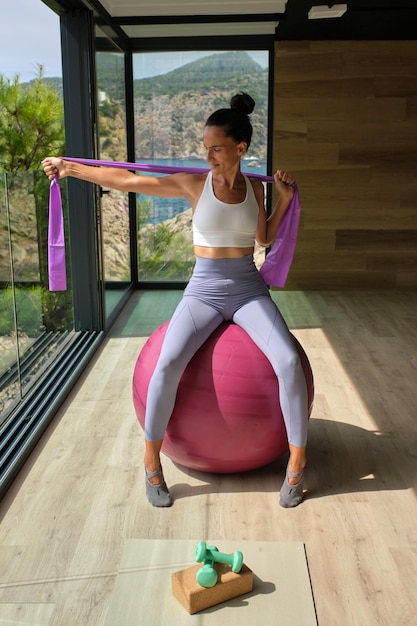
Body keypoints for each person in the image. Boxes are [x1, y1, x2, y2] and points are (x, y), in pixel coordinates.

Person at [42, 92, 309, 509]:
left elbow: (262, 238)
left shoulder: (256, 188)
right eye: (205, 148)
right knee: (166, 364)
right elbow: (129, 181)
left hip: (247, 289)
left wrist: (285, 200)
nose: (208, 157)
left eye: (216, 149)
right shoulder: (193, 184)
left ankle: (296, 466)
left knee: (289, 361)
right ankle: (151, 463)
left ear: (241, 148)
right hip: (203, 289)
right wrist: (70, 168)